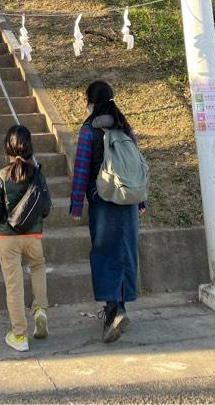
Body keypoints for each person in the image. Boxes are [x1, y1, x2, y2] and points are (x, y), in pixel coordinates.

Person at [70, 80, 146, 343]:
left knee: (104, 254)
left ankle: (113, 309)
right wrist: (141, 202)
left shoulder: (89, 130)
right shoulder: (124, 127)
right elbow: (135, 166)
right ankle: (121, 306)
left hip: (102, 201)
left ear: (91, 102)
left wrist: (76, 205)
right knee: (125, 252)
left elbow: (81, 169)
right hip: (128, 201)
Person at [0, 124, 51, 352]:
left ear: (7, 148)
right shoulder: (38, 175)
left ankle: (19, 336)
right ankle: (40, 309)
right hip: (33, 236)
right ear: (30, 148)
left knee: (14, 285)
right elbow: (46, 207)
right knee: (38, 266)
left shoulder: (0, 177)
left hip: (7, 238)